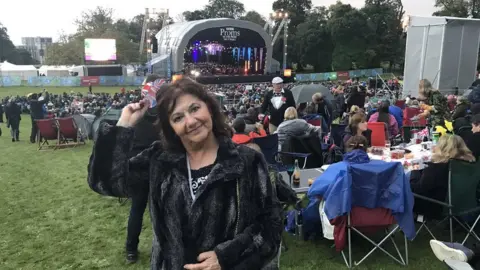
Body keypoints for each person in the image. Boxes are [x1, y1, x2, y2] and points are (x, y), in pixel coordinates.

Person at [88, 78, 282, 270]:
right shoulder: (160, 161)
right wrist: (123, 127)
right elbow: (105, 183)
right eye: (178, 118)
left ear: (209, 108)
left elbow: (270, 225)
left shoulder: (248, 162)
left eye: (195, 109)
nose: (190, 121)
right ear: (170, 127)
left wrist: (227, 256)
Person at [125, 75, 165, 263]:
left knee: (138, 209)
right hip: (151, 167)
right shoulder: (162, 115)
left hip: (145, 166)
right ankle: (133, 248)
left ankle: (131, 249)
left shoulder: (138, 112)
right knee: (157, 211)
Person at [410, 135, 476, 218]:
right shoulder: (472, 164)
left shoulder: (436, 167)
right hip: (468, 205)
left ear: (441, 148)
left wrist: (414, 171)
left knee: (403, 186)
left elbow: (417, 189)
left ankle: (412, 219)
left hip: (439, 207)